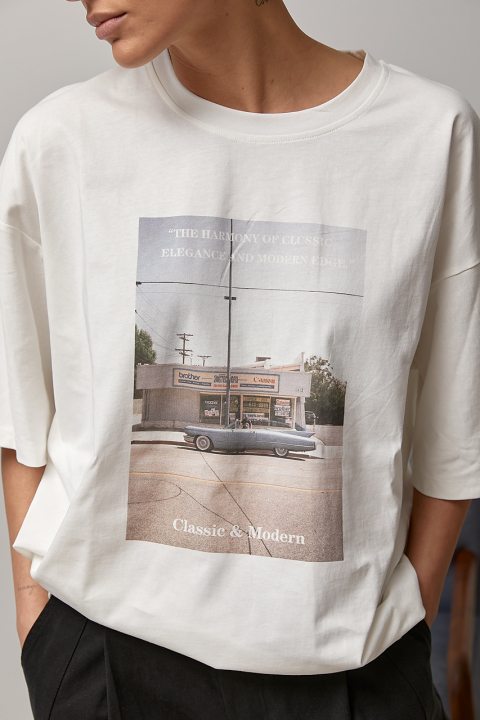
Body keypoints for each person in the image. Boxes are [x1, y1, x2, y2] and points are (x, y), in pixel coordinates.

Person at [1, 0, 479, 718]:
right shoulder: (60, 141)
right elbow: (19, 414)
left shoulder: (428, 135)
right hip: (108, 662)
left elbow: (454, 431)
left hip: (352, 673)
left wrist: (411, 603)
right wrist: (38, 627)